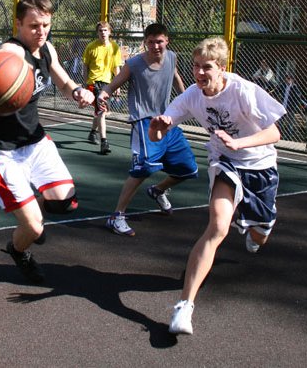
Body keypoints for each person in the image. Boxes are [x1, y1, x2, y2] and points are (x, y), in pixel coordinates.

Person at [148, 37, 285, 335]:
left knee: (259, 234)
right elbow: (161, 130)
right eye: (195, 66)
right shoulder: (192, 95)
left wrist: (238, 143)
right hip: (225, 162)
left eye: (206, 67)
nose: (199, 73)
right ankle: (184, 307)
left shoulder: (244, 91)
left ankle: (259, 228)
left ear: (221, 68)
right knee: (218, 227)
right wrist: (156, 130)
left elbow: (274, 133)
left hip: (260, 165)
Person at [0, 0, 94, 283]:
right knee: (34, 229)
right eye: (34, 26)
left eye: (46, 25)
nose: (41, 32)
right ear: (18, 24)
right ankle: (18, 250)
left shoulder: (47, 48)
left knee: (64, 203)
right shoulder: (11, 52)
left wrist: (78, 92)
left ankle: (32, 216)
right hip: (2, 150)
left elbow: (64, 82)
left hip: (35, 142)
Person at [97, 23, 198, 236]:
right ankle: (116, 216)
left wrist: (187, 98)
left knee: (188, 169)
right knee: (143, 168)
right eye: (151, 42)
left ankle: (158, 190)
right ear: (145, 42)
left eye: (159, 41)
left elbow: (176, 76)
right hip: (144, 122)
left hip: (168, 119)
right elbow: (113, 84)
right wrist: (103, 94)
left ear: (167, 41)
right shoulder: (134, 64)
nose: (155, 46)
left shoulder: (172, 57)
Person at [83, 21, 122, 155]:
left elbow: (116, 67)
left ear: (109, 32)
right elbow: (85, 66)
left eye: (105, 30)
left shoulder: (115, 47)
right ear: (97, 33)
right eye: (100, 30)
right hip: (93, 82)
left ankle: (92, 132)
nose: (103, 33)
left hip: (107, 84)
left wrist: (118, 85)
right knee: (101, 111)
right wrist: (85, 83)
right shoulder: (91, 47)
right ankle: (104, 142)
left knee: (100, 111)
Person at [275, 74, 307, 140]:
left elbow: (298, 96)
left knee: (290, 122)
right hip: (283, 107)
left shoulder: (294, 87)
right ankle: (279, 134)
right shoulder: (283, 86)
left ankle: (289, 136)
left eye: (289, 79)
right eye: (286, 79)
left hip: (290, 107)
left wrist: (299, 105)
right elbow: (277, 91)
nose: (287, 80)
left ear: (292, 80)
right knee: (281, 121)